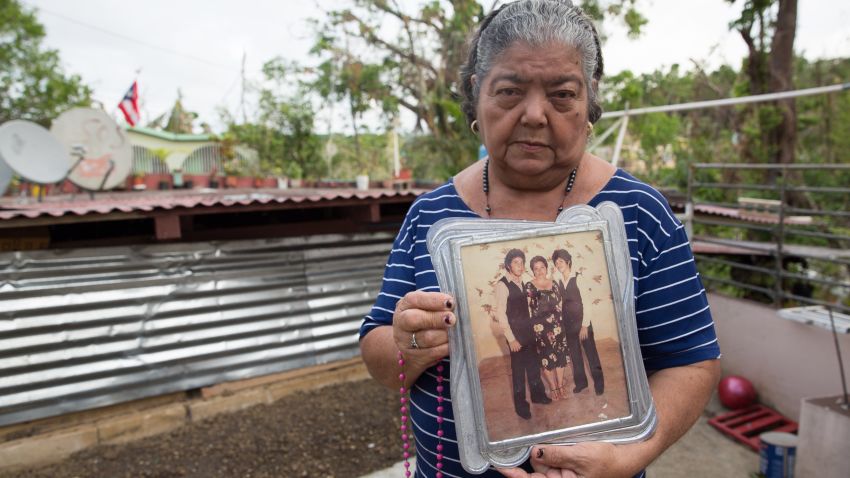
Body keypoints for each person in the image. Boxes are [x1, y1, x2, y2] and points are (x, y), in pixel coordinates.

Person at [358, 1, 721, 477]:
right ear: (476, 94)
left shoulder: (640, 213)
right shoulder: (430, 215)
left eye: (562, 94)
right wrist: (407, 344)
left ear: (589, 102)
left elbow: (692, 363)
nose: (533, 115)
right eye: (509, 91)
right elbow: (381, 355)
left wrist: (628, 458)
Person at [493, 249, 552, 420]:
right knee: (518, 371)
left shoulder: (524, 281)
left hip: (529, 332)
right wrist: (511, 339)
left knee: (534, 366)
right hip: (515, 336)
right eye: (516, 262)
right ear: (508, 265)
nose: (520, 266)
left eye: (522, 262)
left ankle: (538, 395)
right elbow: (501, 315)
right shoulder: (502, 285)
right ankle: (521, 406)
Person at [553, 249, 604, 396]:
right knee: (575, 356)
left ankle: (599, 384)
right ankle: (581, 383)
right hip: (568, 326)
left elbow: (587, 303)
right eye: (556, 263)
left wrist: (584, 326)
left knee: (591, 355)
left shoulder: (579, 278)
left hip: (582, 324)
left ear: (568, 261)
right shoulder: (559, 281)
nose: (558, 264)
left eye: (561, 261)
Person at [525, 256, 567, 399]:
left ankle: (560, 384)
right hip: (540, 328)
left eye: (542, 267)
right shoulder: (529, 286)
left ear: (546, 268)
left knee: (560, 355)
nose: (539, 271)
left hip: (557, 326)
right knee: (546, 358)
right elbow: (526, 309)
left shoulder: (554, 283)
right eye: (536, 268)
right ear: (532, 271)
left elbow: (560, 303)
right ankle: (553, 387)